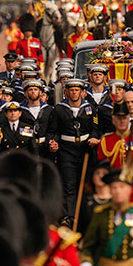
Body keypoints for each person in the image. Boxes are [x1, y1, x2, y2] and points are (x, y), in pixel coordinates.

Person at [47, 78, 99, 225]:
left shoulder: (90, 108)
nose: (74, 93)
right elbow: (53, 131)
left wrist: (94, 139)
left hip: (85, 150)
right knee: (68, 185)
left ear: (82, 92)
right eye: (71, 90)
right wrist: (53, 142)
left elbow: (95, 129)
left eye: (77, 90)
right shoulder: (59, 109)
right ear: (66, 92)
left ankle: (84, 215)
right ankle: (68, 216)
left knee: (84, 184)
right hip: (66, 150)